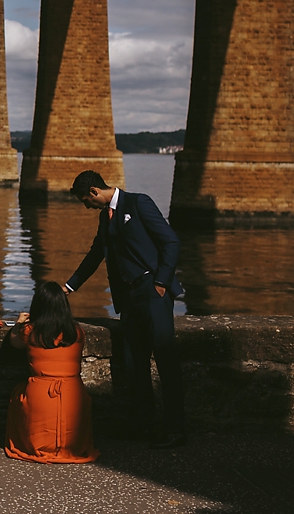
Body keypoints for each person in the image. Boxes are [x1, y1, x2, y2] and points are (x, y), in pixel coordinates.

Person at [65, 169, 187, 449]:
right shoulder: (103, 217)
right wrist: (69, 287)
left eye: (86, 200)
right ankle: (142, 425)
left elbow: (170, 241)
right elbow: (97, 253)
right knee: (135, 364)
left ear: (95, 191)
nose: (87, 206)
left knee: (166, 360)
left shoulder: (139, 202)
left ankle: (176, 429)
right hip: (128, 298)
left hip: (152, 292)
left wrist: (161, 282)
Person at [5, 281, 98, 464]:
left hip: (41, 395)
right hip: (73, 397)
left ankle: (34, 441)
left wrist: (18, 324)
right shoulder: (77, 333)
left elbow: (14, 342)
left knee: (18, 393)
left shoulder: (30, 332)